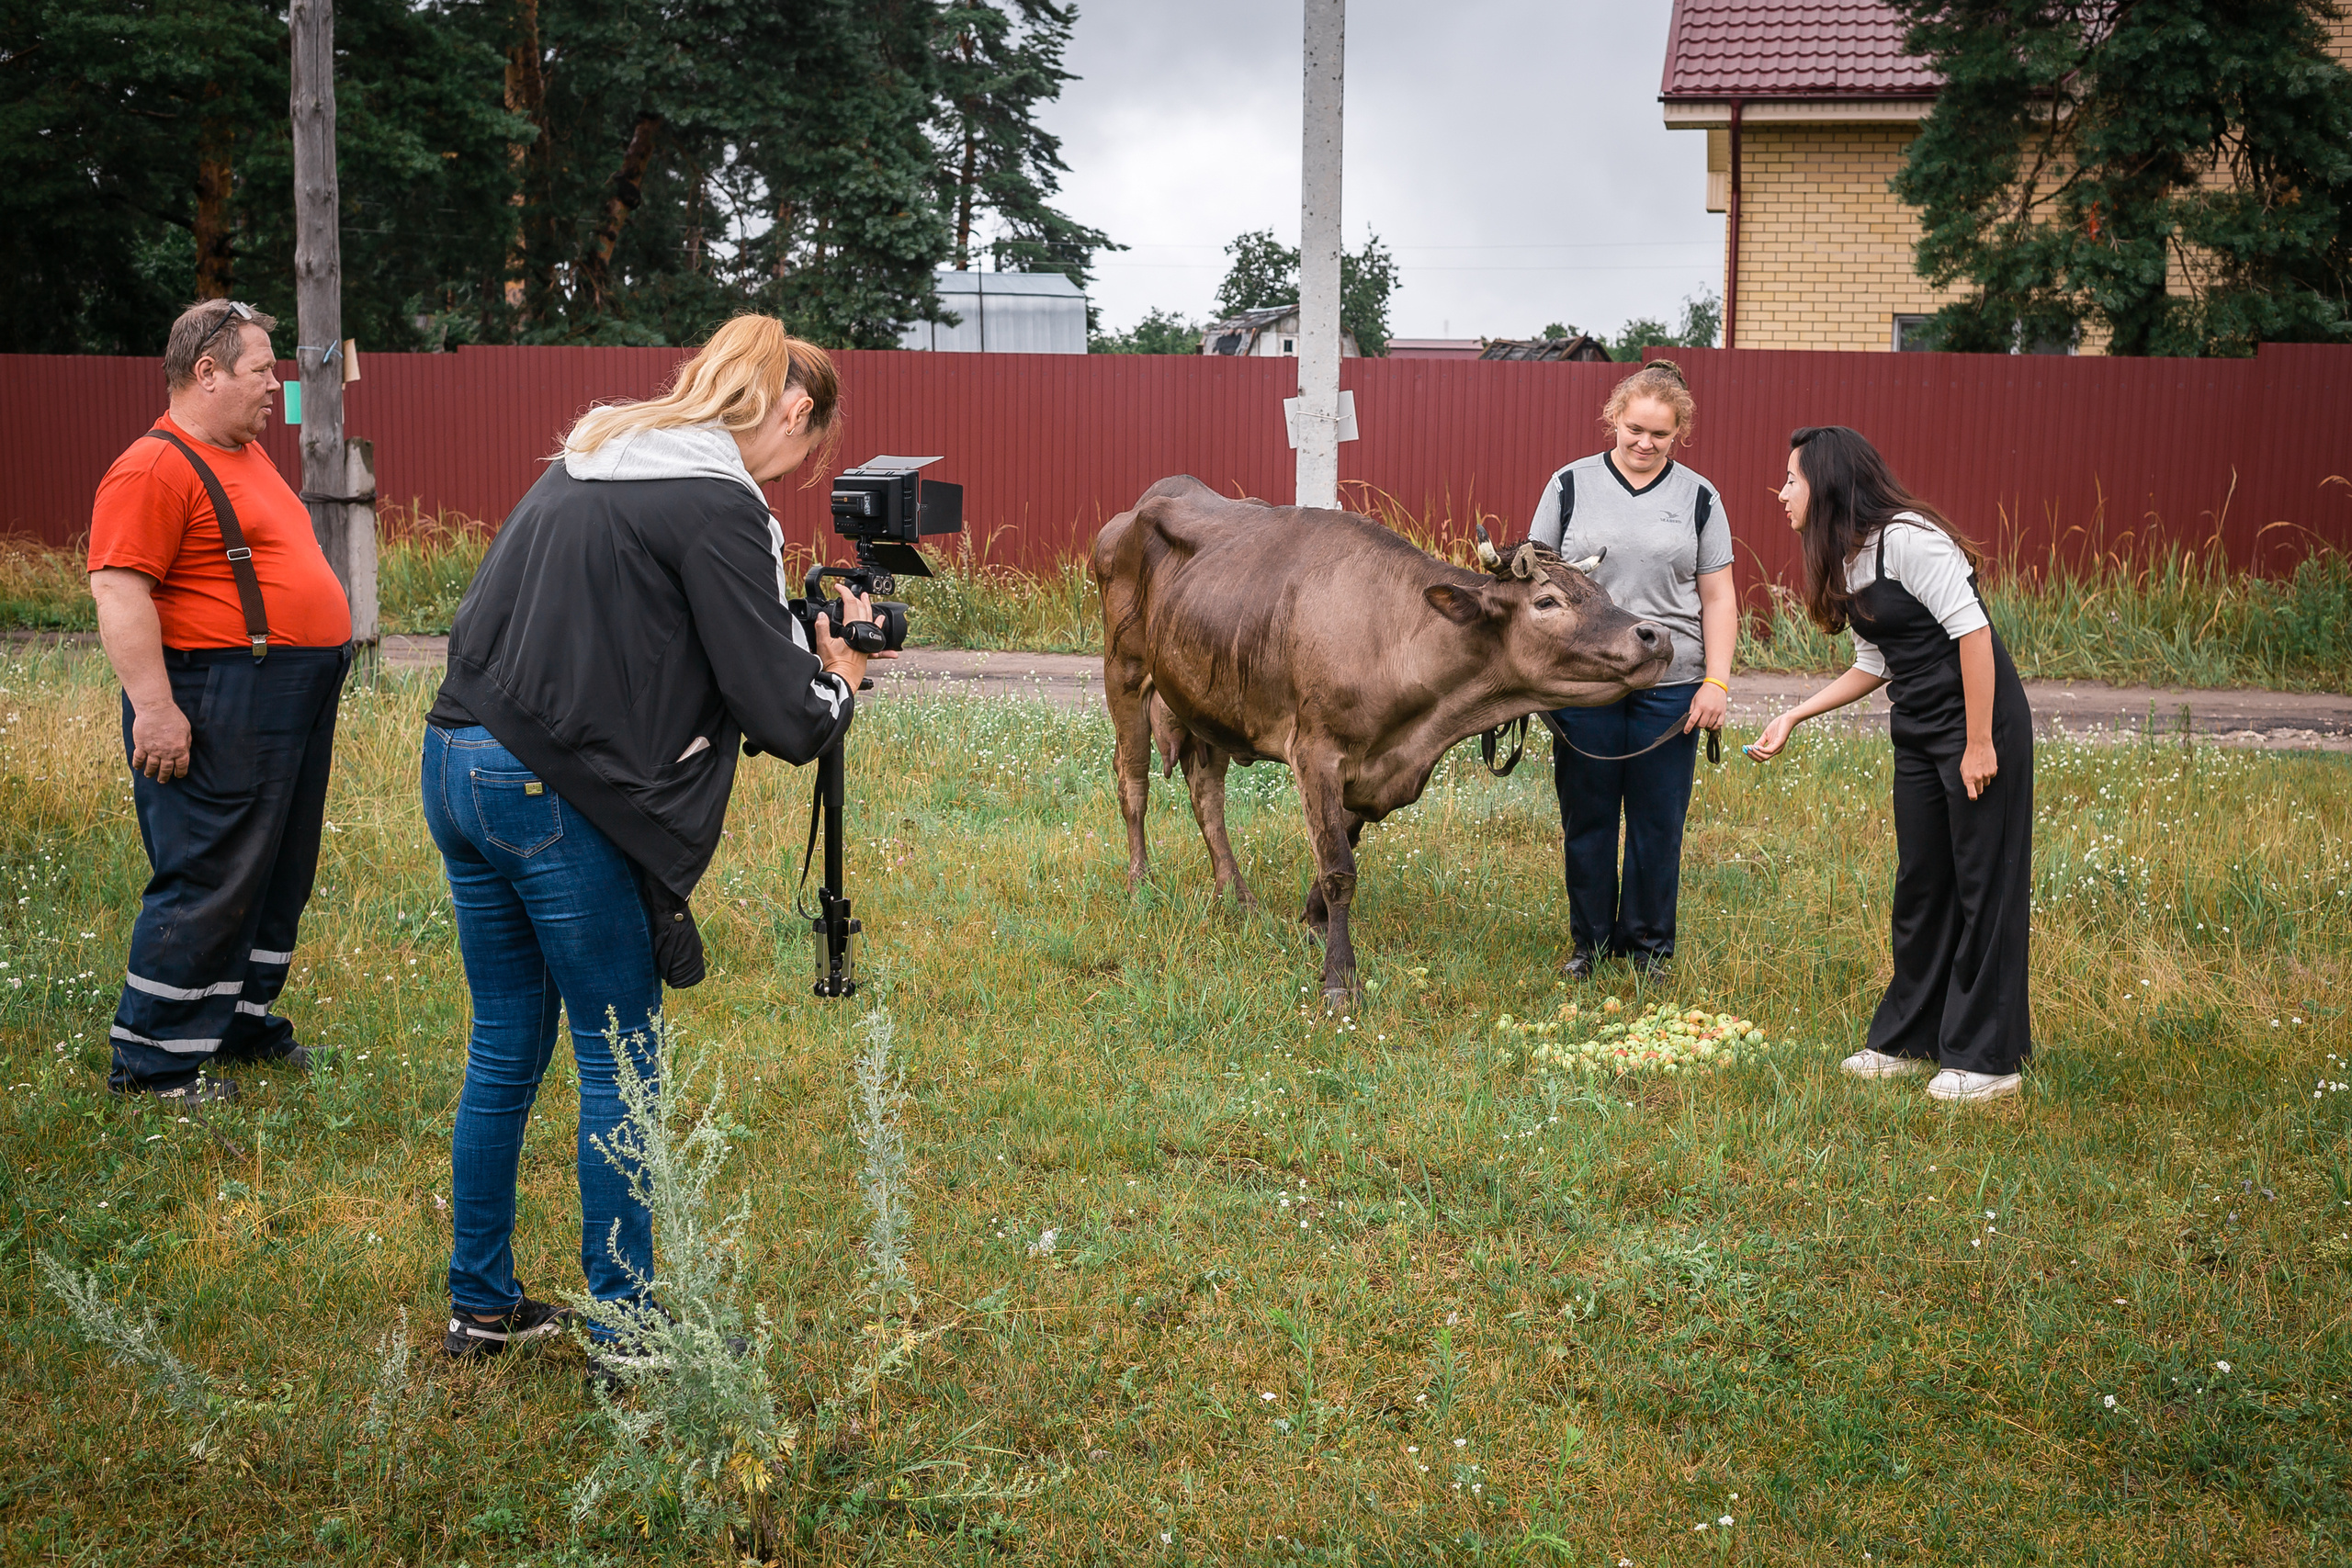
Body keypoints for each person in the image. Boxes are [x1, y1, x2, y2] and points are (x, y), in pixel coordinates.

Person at [424, 315, 880, 1360]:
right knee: (620, 1062)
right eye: (802, 453)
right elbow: (785, 717)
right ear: (793, 409)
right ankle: (627, 1326)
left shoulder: (596, 452)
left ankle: (479, 1308)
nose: (792, 475)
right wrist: (840, 676)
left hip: (456, 758)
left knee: (503, 1047)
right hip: (550, 793)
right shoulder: (718, 497)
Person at [88, 300, 354, 1104]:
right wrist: (156, 707)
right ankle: (153, 1061)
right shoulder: (154, 466)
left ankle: (237, 1022)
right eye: (260, 370)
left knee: (275, 869)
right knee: (210, 868)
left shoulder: (241, 452)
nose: (276, 384)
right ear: (206, 374)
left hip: (286, 690)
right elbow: (118, 588)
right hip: (221, 694)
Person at [1746, 426, 2033, 1104]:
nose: (1781, 492)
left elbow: (1973, 632)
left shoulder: (1908, 538)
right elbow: (1875, 663)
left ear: (1829, 482)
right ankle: (1909, 1040)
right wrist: (1792, 714)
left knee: (1982, 884)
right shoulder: (1847, 559)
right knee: (1923, 884)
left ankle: (1988, 1058)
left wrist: (1982, 742)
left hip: (1979, 725)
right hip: (1919, 733)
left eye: (1791, 478)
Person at [1528, 359, 1735, 979]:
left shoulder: (1699, 498)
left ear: (1679, 435)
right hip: (1584, 682)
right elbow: (1536, 581)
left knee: (1657, 823)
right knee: (1586, 817)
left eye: (1661, 434)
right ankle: (1588, 945)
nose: (1645, 442)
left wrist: (1717, 681)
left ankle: (1648, 950)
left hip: (1668, 687)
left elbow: (1719, 597)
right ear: (1613, 418)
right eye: (1635, 428)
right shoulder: (1568, 486)